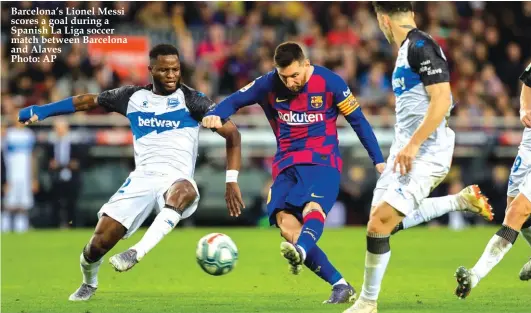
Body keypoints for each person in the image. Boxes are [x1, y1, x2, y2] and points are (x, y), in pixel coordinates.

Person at [18, 44, 245, 301]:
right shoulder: (131, 97)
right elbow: (87, 101)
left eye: (176, 69)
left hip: (175, 178)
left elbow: (233, 134)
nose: (171, 75)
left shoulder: (193, 100)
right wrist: (42, 111)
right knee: (97, 246)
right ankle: (89, 283)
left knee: (185, 190)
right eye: (164, 70)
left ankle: (136, 252)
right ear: (151, 70)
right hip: (141, 179)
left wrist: (231, 180)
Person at [203, 41, 386, 304]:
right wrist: (215, 115)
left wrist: (378, 160)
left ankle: (300, 250)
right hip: (286, 165)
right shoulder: (268, 83)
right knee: (285, 223)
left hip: (323, 162)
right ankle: (340, 285)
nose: (290, 82)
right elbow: (234, 100)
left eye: (295, 75)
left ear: (306, 64)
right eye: (284, 76)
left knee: (313, 208)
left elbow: (358, 121)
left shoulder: (330, 83)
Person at [344, 3, 493, 312]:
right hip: (405, 151)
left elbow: (442, 100)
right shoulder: (406, 51)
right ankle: (459, 201)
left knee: (379, 222)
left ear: (383, 20)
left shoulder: (421, 46)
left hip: (426, 152)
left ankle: (367, 303)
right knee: (380, 226)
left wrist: (413, 144)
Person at [454, 63, 531, 299]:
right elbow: (528, 82)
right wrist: (524, 109)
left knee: (517, 211)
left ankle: (475, 275)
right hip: (528, 147)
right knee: (514, 211)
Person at [2, 112, 38, 233]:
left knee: (23, 204)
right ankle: (4, 228)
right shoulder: (7, 134)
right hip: (10, 174)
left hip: (25, 175)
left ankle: (21, 229)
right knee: (8, 204)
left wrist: (34, 178)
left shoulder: (29, 135)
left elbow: (32, 158)